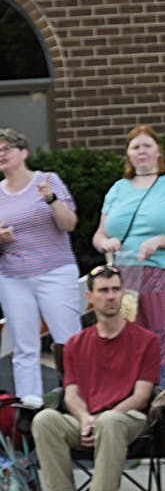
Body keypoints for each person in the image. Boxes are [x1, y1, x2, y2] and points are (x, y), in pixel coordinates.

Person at [34, 264, 160, 491]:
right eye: (104, 291)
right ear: (90, 297)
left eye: (116, 289)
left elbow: (142, 395)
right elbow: (72, 393)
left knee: (111, 422)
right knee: (44, 420)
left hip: (127, 419)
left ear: (123, 294)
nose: (111, 296)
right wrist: (85, 418)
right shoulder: (76, 343)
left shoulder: (146, 340)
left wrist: (104, 417)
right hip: (87, 419)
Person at [92, 125, 165, 387]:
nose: (141, 151)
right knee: (133, 338)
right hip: (127, 281)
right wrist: (106, 242)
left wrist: (159, 241)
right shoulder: (118, 189)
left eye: (147, 145)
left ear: (158, 152)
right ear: (128, 155)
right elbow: (98, 235)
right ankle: (136, 398)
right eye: (135, 147)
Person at [0, 127, 82, 407]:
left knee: (68, 339)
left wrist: (51, 199)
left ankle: (79, 397)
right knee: (24, 345)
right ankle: (30, 405)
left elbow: (69, 224)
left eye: (6, 149)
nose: (1, 154)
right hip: (13, 278)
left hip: (55, 272)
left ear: (23, 153)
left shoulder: (47, 181)